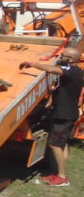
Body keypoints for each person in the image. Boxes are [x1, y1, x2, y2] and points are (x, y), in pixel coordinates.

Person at [20, 47, 84, 187]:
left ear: (72, 59)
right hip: (65, 113)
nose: (61, 56)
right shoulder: (72, 72)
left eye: (64, 55)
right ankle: (57, 173)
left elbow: (50, 69)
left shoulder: (72, 70)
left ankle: (62, 177)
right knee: (62, 143)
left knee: (54, 144)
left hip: (65, 114)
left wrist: (31, 64)